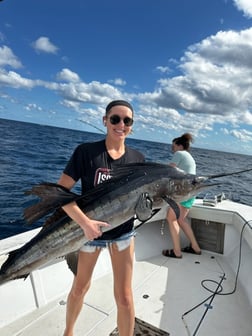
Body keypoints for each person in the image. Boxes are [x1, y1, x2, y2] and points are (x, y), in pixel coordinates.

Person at [58, 100, 144, 336]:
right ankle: (68, 332)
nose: (121, 124)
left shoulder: (138, 158)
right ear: (105, 121)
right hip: (89, 234)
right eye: (115, 119)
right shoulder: (86, 152)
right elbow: (60, 192)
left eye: (127, 121)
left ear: (132, 126)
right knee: (80, 288)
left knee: (125, 297)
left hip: (123, 233)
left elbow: (140, 203)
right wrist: (85, 224)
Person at [162, 133, 201, 258]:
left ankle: (177, 252)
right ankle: (195, 247)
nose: (172, 148)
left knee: (171, 218)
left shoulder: (179, 154)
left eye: (173, 146)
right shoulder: (189, 157)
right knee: (181, 220)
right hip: (191, 193)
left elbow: (169, 171)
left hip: (183, 193)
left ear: (179, 145)